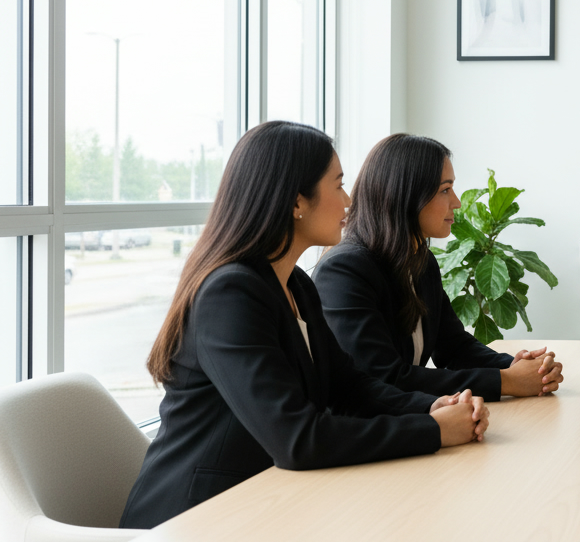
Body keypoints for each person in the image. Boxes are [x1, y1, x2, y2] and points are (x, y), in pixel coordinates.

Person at [121, 122, 488, 530]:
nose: (349, 200)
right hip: (195, 518)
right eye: (338, 185)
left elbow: (348, 386)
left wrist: (431, 407)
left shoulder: (296, 284)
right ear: (297, 201)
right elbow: (296, 438)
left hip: (268, 501)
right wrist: (431, 430)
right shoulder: (229, 294)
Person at [313, 134, 562, 401]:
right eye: (445, 190)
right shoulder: (343, 271)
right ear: (406, 195)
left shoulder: (421, 261)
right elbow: (385, 378)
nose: (456, 202)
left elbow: (454, 347)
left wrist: (517, 367)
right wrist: (507, 381)